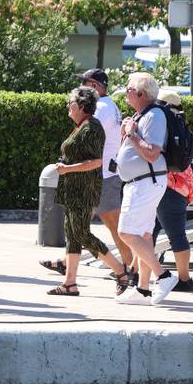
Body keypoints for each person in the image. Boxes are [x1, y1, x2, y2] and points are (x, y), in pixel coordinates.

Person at [44, 86, 129, 297]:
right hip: (74, 189)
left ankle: (121, 272)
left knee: (81, 233)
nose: (68, 106)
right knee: (72, 234)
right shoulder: (82, 126)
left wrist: (67, 169)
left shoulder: (92, 127)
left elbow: (95, 162)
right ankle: (69, 283)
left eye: (71, 103)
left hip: (84, 189)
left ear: (81, 106)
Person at [114, 72, 177, 306]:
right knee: (142, 235)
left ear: (141, 93)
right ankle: (142, 290)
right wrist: (127, 135)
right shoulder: (141, 115)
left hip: (145, 183)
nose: (126, 93)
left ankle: (163, 275)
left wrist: (131, 134)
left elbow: (152, 153)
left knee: (126, 233)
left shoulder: (154, 115)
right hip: (140, 182)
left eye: (129, 89)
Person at [83, 69, 134, 286]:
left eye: (85, 84)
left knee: (109, 225)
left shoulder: (101, 108)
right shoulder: (107, 106)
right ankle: (128, 268)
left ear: (94, 86)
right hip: (104, 174)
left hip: (102, 175)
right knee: (83, 223)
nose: (81, 89)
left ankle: (128, 269)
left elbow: (87, 136)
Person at [152, 89, 193, 292]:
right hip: (180, 186)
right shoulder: (181, 125)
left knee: (176, 235)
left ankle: (185, 280)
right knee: (148, 233)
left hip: (168, 187)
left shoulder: (163, 125)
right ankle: (136, 272)